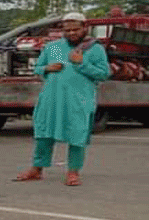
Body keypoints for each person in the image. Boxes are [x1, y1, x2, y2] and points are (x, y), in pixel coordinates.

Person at [15, 12, 110, 186]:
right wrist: (47, 68)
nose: (72, 33)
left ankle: (73, 172)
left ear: (84, 28)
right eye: (68, 30)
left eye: (76, 29)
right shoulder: (52, 47)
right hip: (51, 98)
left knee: (77, 136)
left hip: (79, 100)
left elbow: (104, 74)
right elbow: (37, 68)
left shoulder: (95, 48)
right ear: (63, 30)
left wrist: (82, 63)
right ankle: (37, 169)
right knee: (44, 134)